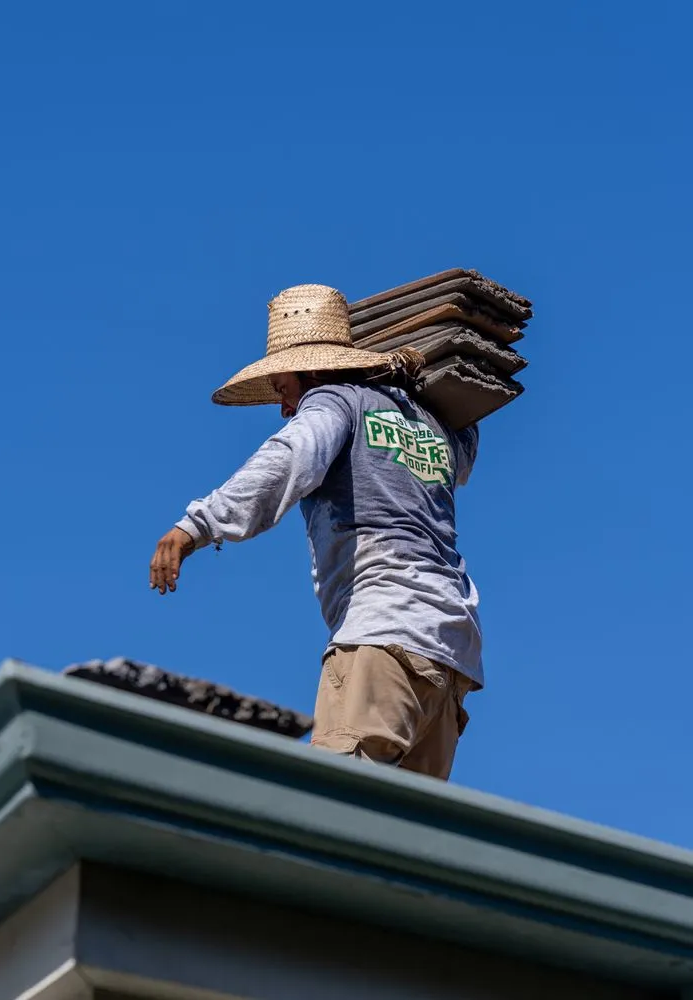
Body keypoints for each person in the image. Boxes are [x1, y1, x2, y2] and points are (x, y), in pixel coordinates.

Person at [149, 283, 482, 780]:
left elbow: (288, 461)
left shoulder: (334, 401)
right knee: (402, 836)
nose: (285, 407)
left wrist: (195, 526)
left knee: (335, 805)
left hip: (383, 634)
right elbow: (465, 452)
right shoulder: (434, 425)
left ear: (312, 369)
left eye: (284, 389)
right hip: (451, 655)